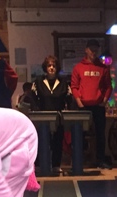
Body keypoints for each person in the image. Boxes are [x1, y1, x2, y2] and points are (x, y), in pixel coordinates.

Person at [71, 39, 112, 170]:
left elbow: (108, 87)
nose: (93, 52)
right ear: (86, 50)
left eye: (96, 49)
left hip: (98, 106)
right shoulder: (78, 67)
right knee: (80, 134)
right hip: (83, 106)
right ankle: (80, 160)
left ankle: (100, 160)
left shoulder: (103, 68)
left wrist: (104, 101)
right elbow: (74, 86)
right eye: (91, 49)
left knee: (100, 134)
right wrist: (79, 103)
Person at [31, 55, 73, 174]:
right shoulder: (38, 82)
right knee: (42, 141)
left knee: (57, 142)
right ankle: (39, 165)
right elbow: (33, 98)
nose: (51, 68)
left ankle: (55, 165)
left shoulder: (64, 83)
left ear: (57, 68)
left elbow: (69, 99)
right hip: (42, 118)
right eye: (49, 65)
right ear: (45, 67)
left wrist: (67, 112)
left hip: (58, 118)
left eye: (54, 66)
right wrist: (36, 112)